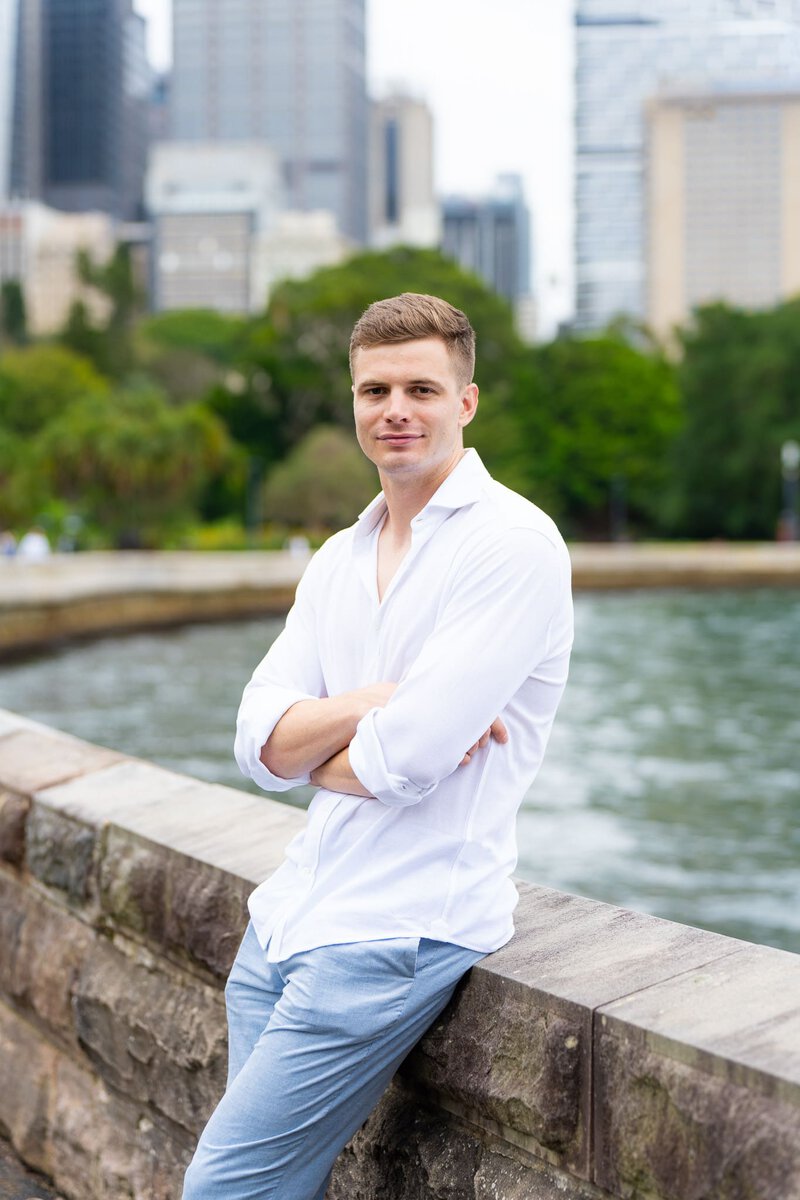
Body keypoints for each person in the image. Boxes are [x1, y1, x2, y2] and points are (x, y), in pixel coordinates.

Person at [182, 293, 573, 1200]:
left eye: (421, 389)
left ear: (466, 404)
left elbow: (405, 765)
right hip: (283, 921)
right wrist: (378, 701)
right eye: (374, 389)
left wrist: (323, 742)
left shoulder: (512, 546)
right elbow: (255, 742)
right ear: (354, 403)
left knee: (224, 1190)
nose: (395, 408)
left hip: (393, 932)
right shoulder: (336, 558)